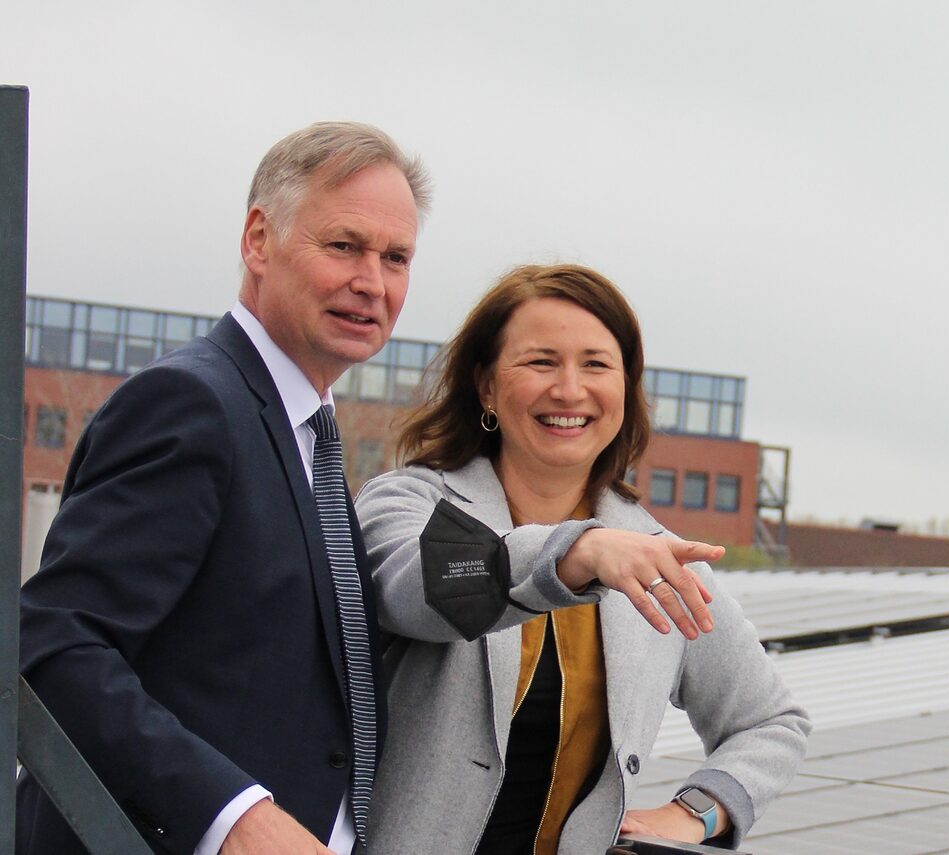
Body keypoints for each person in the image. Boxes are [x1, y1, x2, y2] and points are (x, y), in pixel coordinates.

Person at [14, 122, 431, 855]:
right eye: (343, 245)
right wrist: (231, 812)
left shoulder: (310, 435)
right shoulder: (192, 405)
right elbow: (55, 643)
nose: (373, 281)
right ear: (258, 240)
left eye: (395, 257)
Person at [355, 264, 810, 854]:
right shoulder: (405, 501)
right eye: (541, 362)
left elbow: (771, 722)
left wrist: (695, 810)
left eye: (596, 364)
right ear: (486, 386)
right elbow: (418, 591)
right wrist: (575, 552)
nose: (570, 390)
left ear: (626, 388)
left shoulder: (659, 558)